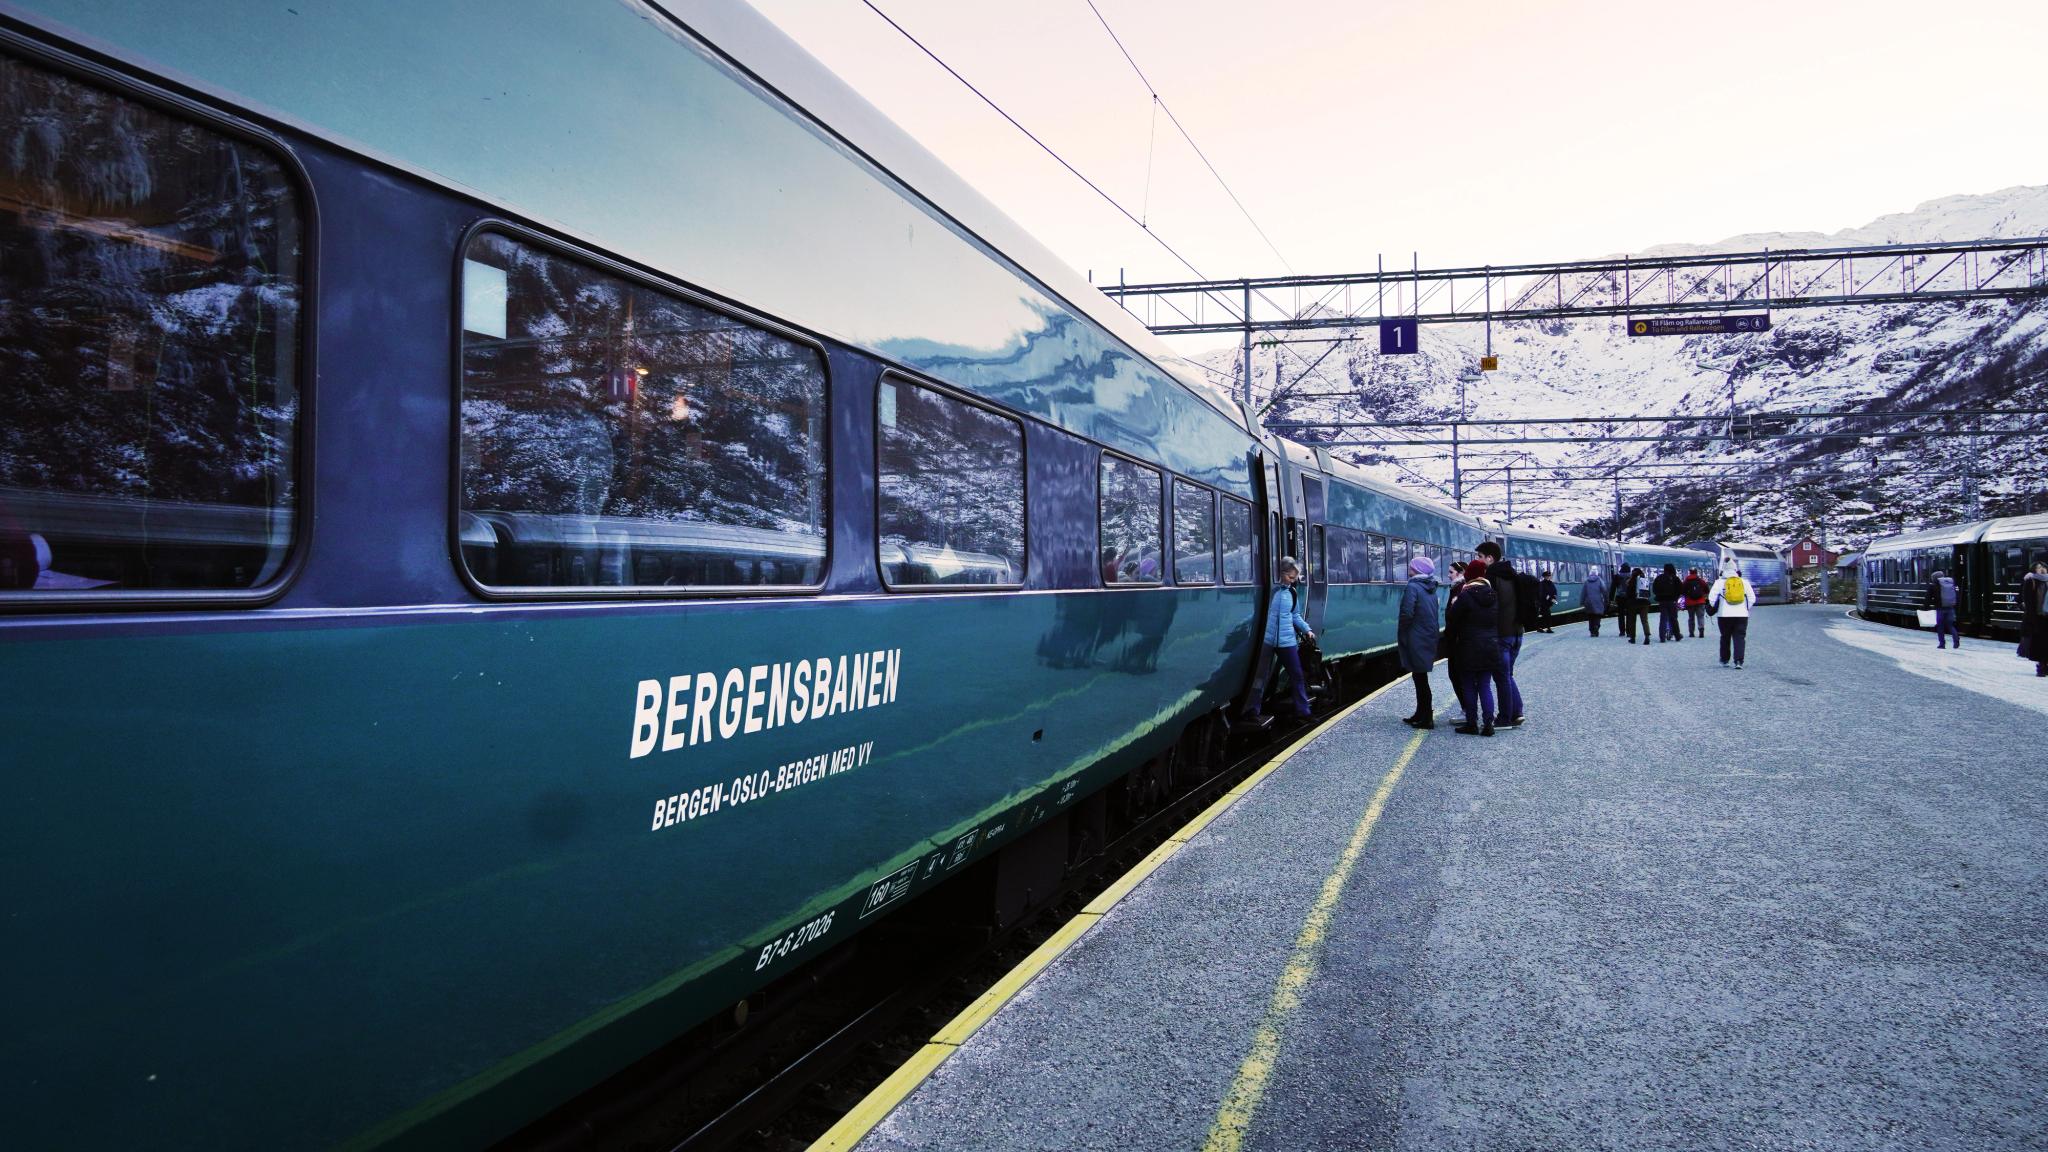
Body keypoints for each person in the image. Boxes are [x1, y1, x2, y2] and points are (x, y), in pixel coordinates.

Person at [1249, 556, 1315, 720]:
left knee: (1296, 674)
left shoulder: (1291, 593)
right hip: (1268, 641)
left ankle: (1303, 711)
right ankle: (1253, 710)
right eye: (1289, 577)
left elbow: (1295, 615)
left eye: (1294, 578)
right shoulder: (1270, 592)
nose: (1292, 581)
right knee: (1260, 677)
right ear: (1280, 573)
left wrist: (1307, 630)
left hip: (1287, 642)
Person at [1447, 557, 1501, 735]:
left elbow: (1452, 621)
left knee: (1469, 685)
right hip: (1490, 646)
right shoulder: (1493, 595)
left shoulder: (1465, 595)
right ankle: (1488, 724)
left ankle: (1471, 723)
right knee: (1485, 685)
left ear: (1469, 576)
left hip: (1468, 647)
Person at [1475, 542, 1525, 727]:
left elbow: (1490, 607)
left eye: (1480, 556)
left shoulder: (1492, 577)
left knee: (1501, 677)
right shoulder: (1512, 574)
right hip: (1517, 632)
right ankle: (1517, 712)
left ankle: (1505, 718)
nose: (1478, 560)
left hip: (1502, 634)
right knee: (1507, 675)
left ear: (1490, 558)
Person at [1397, 555, 1441, 728]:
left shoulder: (1413, 587)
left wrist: (1403, 630)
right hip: (1427, 635)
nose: (1409, 567)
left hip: (1416, 636)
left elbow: (1407, 612)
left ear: (1416, 569)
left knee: (1420, 678)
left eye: (1411, 566)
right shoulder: (1430, 587)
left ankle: (1426, 718)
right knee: (1419, 676)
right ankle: (1421, 713)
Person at [1707, 562, 1753, 668]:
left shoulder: (1719, 582)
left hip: (1724, 615)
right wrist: (1746, 609)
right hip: (1741, 615)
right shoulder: (1744, 582)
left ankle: (1725, 660)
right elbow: (1752, 598)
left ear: (1724, 570)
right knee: (1740, 637)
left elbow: (1712, 598)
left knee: (1725, 637)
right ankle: (1738, 661)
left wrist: (1717, 608)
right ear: (1736, 570)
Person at [1922, 568, 1962, 650]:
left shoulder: (1933, 586)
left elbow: (1927, 599)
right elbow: (1956, 595)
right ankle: (1956, 639)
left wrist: (1926, 608)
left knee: (1940, 626)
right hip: (1950, 608)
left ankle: (1942, 644)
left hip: (1940, 609)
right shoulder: (1951, 583)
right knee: (1950, 625)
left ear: (1934, 578)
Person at [2023, 555, 2047, 678]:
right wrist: (2031, 619)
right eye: (2038, 567)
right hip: (2038, 618)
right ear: (2034, 570)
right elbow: (2027, 601)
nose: (2041, 569)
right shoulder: (2031, 581)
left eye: (2043, 567)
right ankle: (2041, 667)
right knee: (2041, 644)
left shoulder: (2047, 581)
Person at [1653, 562, 1683, 643]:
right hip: (1672, 601)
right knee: (1673, 619)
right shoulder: (1675, 578)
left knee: (1663, 619)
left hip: (1662, 601)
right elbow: (1680, 589)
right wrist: (1676, 598)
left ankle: (1662, 637)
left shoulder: (1659, 578)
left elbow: (1654, 589)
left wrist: (1660, 596)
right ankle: (1677, 635)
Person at [1683, 567, 1711, 638]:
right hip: (1700, 601)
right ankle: (1701, 631)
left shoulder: (1686, 581)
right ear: (1696, 572)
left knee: (1691, 618)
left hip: (1690, 602)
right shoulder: (1701, 580)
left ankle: (1691, 633)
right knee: (1700, 617)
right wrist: (1703, 595)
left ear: (1689, 572)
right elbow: (1707, 589)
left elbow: (1682, 590)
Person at [1581, 566, 1608, 636]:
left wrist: (1581, 602)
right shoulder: (1600, 580)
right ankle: (1596, 626)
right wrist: (1606, 600)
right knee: (1597, 615)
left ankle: (1592, 631)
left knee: (1590, 617)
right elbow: (1604, 590)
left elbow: (1583, 593)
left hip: (1588, 602)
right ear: (1597, 573)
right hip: (1598, 601)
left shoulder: (1586, 581)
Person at [1614, 564, 1637, 642]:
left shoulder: (1617, 576)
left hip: (1620, 598)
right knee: (1629, 615)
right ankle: (1629, 632)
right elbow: (1634, 588)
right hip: (1629, 598)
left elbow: (1613, 588)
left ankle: (1622, 631)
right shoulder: (1632, 577)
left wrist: (1610, 599)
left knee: (1620, 615)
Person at [1631, 567, 1653, 643]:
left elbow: (1629, 593)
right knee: (1644, 621)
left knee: (1632, 621)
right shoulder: (1645, 581)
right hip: (1644, 603)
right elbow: (1649, 593)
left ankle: (1633, 638)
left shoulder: (1632, 580)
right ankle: (1647, 636)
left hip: (1634, 603)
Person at [1536, 569, 1558, 633]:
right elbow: (1542, 593)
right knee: (1547, 615)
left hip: (1549, 602)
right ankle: (1547, 628)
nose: (1548, 577)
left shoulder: (1551, 583)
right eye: (1547, 576)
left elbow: (1554, 591)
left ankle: (1540, 628)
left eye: (1549, 576)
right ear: (1544, 577)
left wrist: (1554, 596)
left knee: (1543, 615)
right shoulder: (1542, 583)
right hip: (1543, 602)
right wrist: (1549, 598)